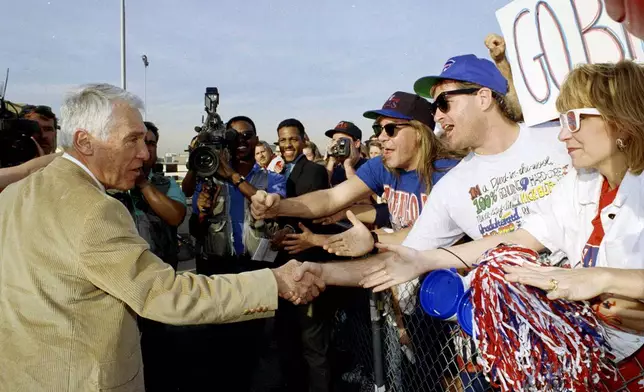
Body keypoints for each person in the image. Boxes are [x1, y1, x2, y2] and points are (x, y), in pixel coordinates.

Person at [0, 83, 324, 392]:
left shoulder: (15, 193)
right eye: (132, 140)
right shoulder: (95, 209)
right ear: (85, 142)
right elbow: (162, 293)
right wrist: (274, 283)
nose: (144, 153)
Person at [356, 61, 644, 386]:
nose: (563, 133)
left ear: (619, 119)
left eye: (574, 120)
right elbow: (520, 238)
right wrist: (426, 259)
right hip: (595, 366)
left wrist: (604, 279)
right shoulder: (579, 185)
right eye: (562, 120)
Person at [251, 91, 461, 254]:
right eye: (379, 129)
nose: (381, 137)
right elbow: (331, 197)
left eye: (390, 129)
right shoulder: (382, 165)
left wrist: (320, 240)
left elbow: (418, 235)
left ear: (419, 133)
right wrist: (277, 207)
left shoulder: (448, 174)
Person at [324, 121, 368, 186]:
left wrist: (348, 166)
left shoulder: (369, 167)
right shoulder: (334, 169)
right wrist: (331, 161)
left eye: (341, 140)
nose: (335, 144)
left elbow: (360, 190)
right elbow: (322, 189)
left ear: (357, 143)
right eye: (333, 140)